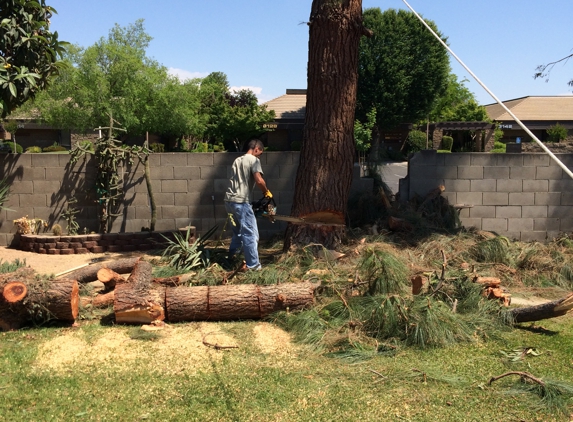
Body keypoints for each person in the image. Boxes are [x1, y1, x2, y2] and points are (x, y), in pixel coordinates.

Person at [224, 139, 272, 270]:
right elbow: (259, 180)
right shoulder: (254, 160)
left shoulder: (237, 160)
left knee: (238, 233)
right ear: (256, 149)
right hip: (241, 202)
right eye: (260, 153)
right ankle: (253, 266)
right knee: (251, 234)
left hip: (229, 201)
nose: (259, 156)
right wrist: (266, 192)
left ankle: (232, 259)